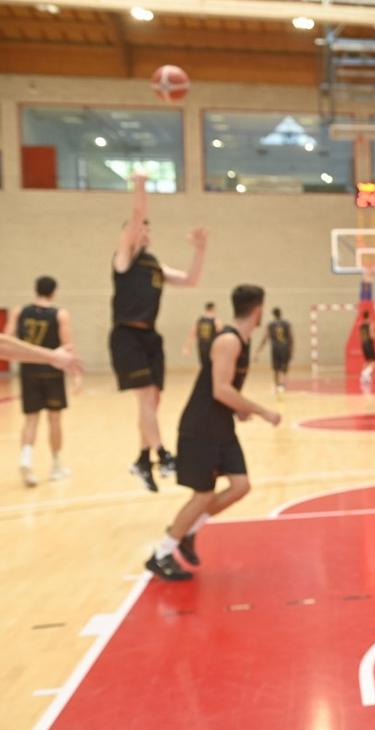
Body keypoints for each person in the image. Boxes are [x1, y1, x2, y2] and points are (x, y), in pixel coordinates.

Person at [145, 284, 280, 581]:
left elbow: (225, 390)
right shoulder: (228, 341)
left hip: (221, 425)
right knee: (203, 495)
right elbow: (220, 390)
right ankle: (162, 553)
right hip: (201, 427)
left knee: (240, 485)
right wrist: (261, 410)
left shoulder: (241, 341)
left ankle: (189, 531)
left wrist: (239, 408)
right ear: (257, 310)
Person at [110, 171, 206, 492]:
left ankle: (141, 458)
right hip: (127, 336)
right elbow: (138, 215)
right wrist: (140, 185)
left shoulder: (156, 266)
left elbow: (191, 280)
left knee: (152, 402)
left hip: (151, 337)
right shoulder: (123, 259)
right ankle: (163, 455)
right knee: (147, 399)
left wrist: (200, 250)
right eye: (139, 228)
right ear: (128, 235)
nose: (144, 230)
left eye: (148, 229)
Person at [4, 276, 78, 486]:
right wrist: (75, 374)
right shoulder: (60, 314)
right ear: (53, 292)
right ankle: (56, 467)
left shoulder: (20, 311)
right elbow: (67, 346)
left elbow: (8, 338)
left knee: (31, 418)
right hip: (52, 371)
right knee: (54, 419)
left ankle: (25, 459)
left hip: (28, 369)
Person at [253, 307, 293, 392]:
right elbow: (290, 337)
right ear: (280, 313)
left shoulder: (270, 324)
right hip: (285, 348)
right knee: (284, 368)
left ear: (273, 314)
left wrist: (258, 350)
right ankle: (282, 385)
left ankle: (276, 385)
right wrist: (291, 349)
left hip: (275, 348)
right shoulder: (286, 324)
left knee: (276, 369)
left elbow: (265, 338)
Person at [359, 310, 375, 387]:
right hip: (369, 343)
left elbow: (361, 336)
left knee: (367, 361)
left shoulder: (361, 325)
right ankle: (365, 374)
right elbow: (371, 335)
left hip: (363, 343)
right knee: (374, 361)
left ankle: (363, 376)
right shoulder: (370, 324)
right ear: (369, 316)